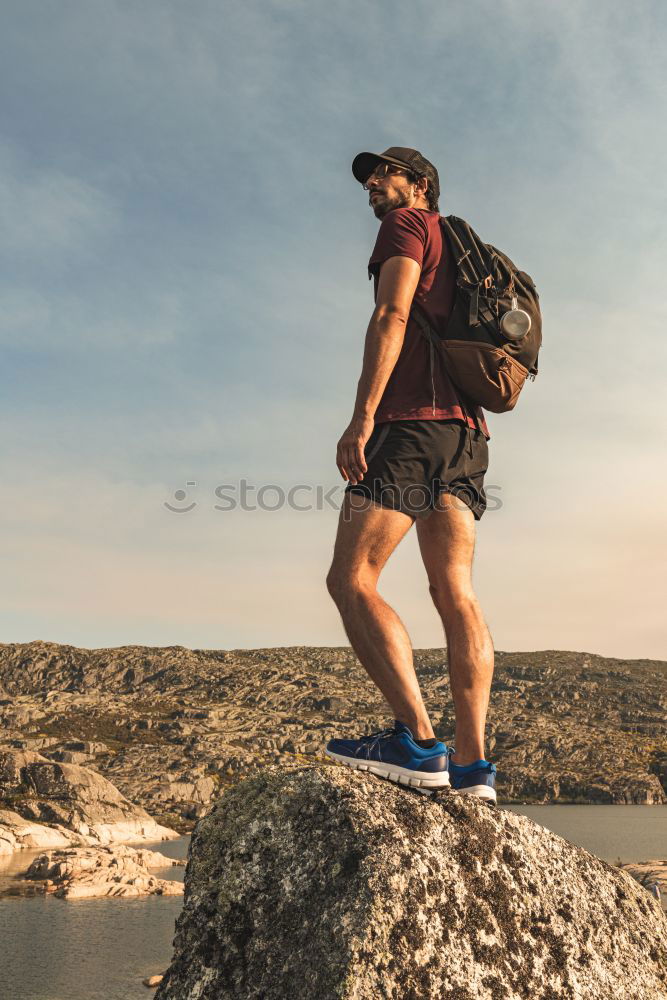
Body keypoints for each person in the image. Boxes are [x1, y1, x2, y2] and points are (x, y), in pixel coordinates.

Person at [324, 146, 497, 801]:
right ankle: (473, 767)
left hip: (411, 423)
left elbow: (391, 314)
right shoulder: (462, 247)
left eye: (384, 174)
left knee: (351, 577)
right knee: (455, 592)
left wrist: (362, 417)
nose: (372, 184)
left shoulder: (407, 226)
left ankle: (418, 743)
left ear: (419, 184)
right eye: (369, 179)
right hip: (467, 434)